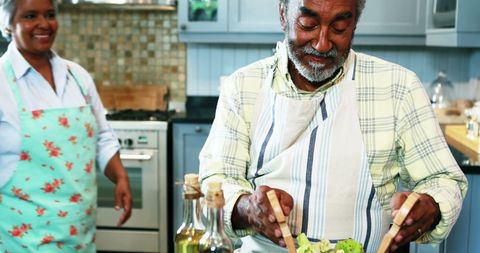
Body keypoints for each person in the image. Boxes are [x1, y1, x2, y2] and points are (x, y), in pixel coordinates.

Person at [198, 0, 468, 252]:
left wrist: (430, 206)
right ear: (283, 15)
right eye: (308, 25)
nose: (323, 43)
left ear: (355, 23)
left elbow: (443, 180)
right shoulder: (243, 86)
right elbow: (215, 181)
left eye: (339, 27)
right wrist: (246, 208)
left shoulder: (399, 87)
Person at [0, 0, 132, 252]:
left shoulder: (77, 77)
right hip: (21, 238)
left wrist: (121, 175)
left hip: (80, 235)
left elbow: (102, 136)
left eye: (50, 14)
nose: (44, 24)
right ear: (7, 24)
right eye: (30, 16)